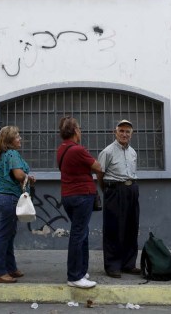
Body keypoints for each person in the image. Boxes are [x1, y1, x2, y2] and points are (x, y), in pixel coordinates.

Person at [57, 116, 103, 289]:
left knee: (81, 232)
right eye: (79, 128)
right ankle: (75, 276)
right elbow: (98, 166)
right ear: (75, 130)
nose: (81, 131)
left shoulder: (61, 148)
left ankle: (81, 270)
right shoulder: (77, 149)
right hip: (81, 196)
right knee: (78, 234)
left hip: (68, 195)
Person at [0, 126, 35, 284]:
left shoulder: (3, 154)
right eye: (17, 136)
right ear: (10, 140)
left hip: (2, 197)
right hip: (9, 198)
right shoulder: (13, 154)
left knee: (8, 234)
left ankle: (11, 267)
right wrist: (27, 177)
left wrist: (27, 178)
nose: (20, 139)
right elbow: (18, 175)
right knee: (4, 235)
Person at [97, 119, 139, 278]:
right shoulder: (107, 152)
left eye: (127, 131)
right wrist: (108, 191)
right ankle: (112, 266)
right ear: (115, 132)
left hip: (132, 190)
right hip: (115, 191)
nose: (124, 134)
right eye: (121, 131)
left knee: (131, 227)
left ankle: (129, 264)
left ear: (131, 134)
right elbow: (99, 174)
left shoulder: (133, 152)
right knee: (113, 229)